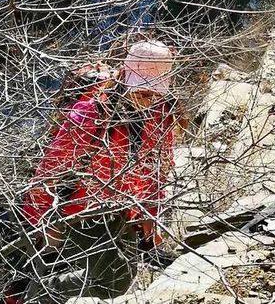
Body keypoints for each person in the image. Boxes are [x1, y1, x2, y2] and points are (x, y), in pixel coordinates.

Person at [17, 38, 180, 304]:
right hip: (77, 212)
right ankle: (35, 293)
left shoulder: (161, 118)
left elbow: (157, 172)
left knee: (117, 283)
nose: (148, 99)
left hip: (122, 211)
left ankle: (39, 290)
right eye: (142, 91)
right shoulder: (91, 113)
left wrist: (151, 220)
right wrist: (42, 226)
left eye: (155, 93)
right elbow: (49, 172)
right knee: (95, 281)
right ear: (125, 77)